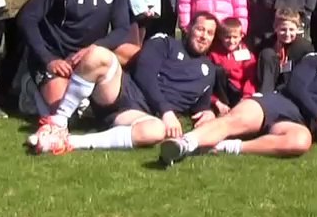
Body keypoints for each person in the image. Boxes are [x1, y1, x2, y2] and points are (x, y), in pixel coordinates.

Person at [159, 28, 317, 163]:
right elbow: (296, 89)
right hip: (279, 102)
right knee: (236, 120)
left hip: (299, 124)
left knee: (301, 142)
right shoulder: (315, 61)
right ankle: (183, 144)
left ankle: (229, 147)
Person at [29, 12, 227, 155]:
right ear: (188, 28)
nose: (203, 36)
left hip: (138, 116)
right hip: (123, 90)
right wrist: (166, 110)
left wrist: (210, 111)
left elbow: (200, 109)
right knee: (98, 54)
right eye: (200, 29)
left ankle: (69, 142)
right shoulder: (165, 42)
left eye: (209, 33)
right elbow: (144, 73)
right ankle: (58, 122)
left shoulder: (209, 71)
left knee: (156, 131)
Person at [17, 0, 133, 115]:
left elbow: (122, 29)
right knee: (62, 111)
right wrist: (48, 59)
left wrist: (94, 49)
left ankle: (88, 96)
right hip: (55, 58)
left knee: (109, 104)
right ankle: (30, 87)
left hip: (86, 59)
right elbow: (27, 17)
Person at [255, 9, 316, 93]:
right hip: (271, 81)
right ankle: (266, 93)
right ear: (275, 28)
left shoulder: (304, 47)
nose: (287, 34)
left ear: (297, 29)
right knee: (267, 53)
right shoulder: (266, 43)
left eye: (291, 30)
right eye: (283, 30)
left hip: (292, 85)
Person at [209, 17, 258, 108]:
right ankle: (222, 104)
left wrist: (246, 96)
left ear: (241, 36)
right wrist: (214, 100)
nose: (231, 41)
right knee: (218, 70)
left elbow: (250, 77)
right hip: (220, 90)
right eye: (227, 37)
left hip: (238, 90)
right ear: (221, 36)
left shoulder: (246, 54)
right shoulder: (214, 53)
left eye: (235, 37)